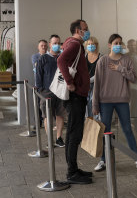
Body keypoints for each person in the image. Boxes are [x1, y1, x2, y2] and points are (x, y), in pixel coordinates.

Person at [92, 33, 137, 172]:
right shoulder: (102, 61)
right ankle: (103, 160)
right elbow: (96, 84)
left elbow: (133, 78)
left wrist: (120, 69)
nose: (118, 45)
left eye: (120, 43)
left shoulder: (127, 60)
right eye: (115, 43)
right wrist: (95, 104)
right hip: (105, 102)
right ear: (109, 45)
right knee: (106, 131)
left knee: (127, 129)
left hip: (122, 101)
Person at [58, 19, 92, 184]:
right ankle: (71, 173)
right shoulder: (75, 45)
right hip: (76, 97)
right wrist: (70, 83)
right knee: (74, 134)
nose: (88, 31)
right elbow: (61, 61)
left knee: (74, 133)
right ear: (78, 30)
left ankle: (74, 168)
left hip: (78, 96)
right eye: (86, 29)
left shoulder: (72, 43)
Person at [36, 35, 65, 148]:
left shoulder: (62, 57)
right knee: (47, 115)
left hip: (61, 91)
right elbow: (38, 76)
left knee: (60, 114)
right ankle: (49, 139)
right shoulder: (43, 58)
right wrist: (40, 90)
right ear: (50, 44)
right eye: (54, 43)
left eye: (58, 42)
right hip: (47, 92)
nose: (56, 45)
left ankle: (59, 138)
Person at [84, 36, 102, 117]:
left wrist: (89, 80)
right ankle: (88, 125)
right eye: (89, 44)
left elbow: (101, 73)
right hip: (85, 85)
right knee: (86, 107)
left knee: (95, 106)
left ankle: (96, 126)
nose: (91, 46)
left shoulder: (101, 57)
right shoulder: (83, 57)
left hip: (97, 85)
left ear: (96, 45)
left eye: (93, 44)